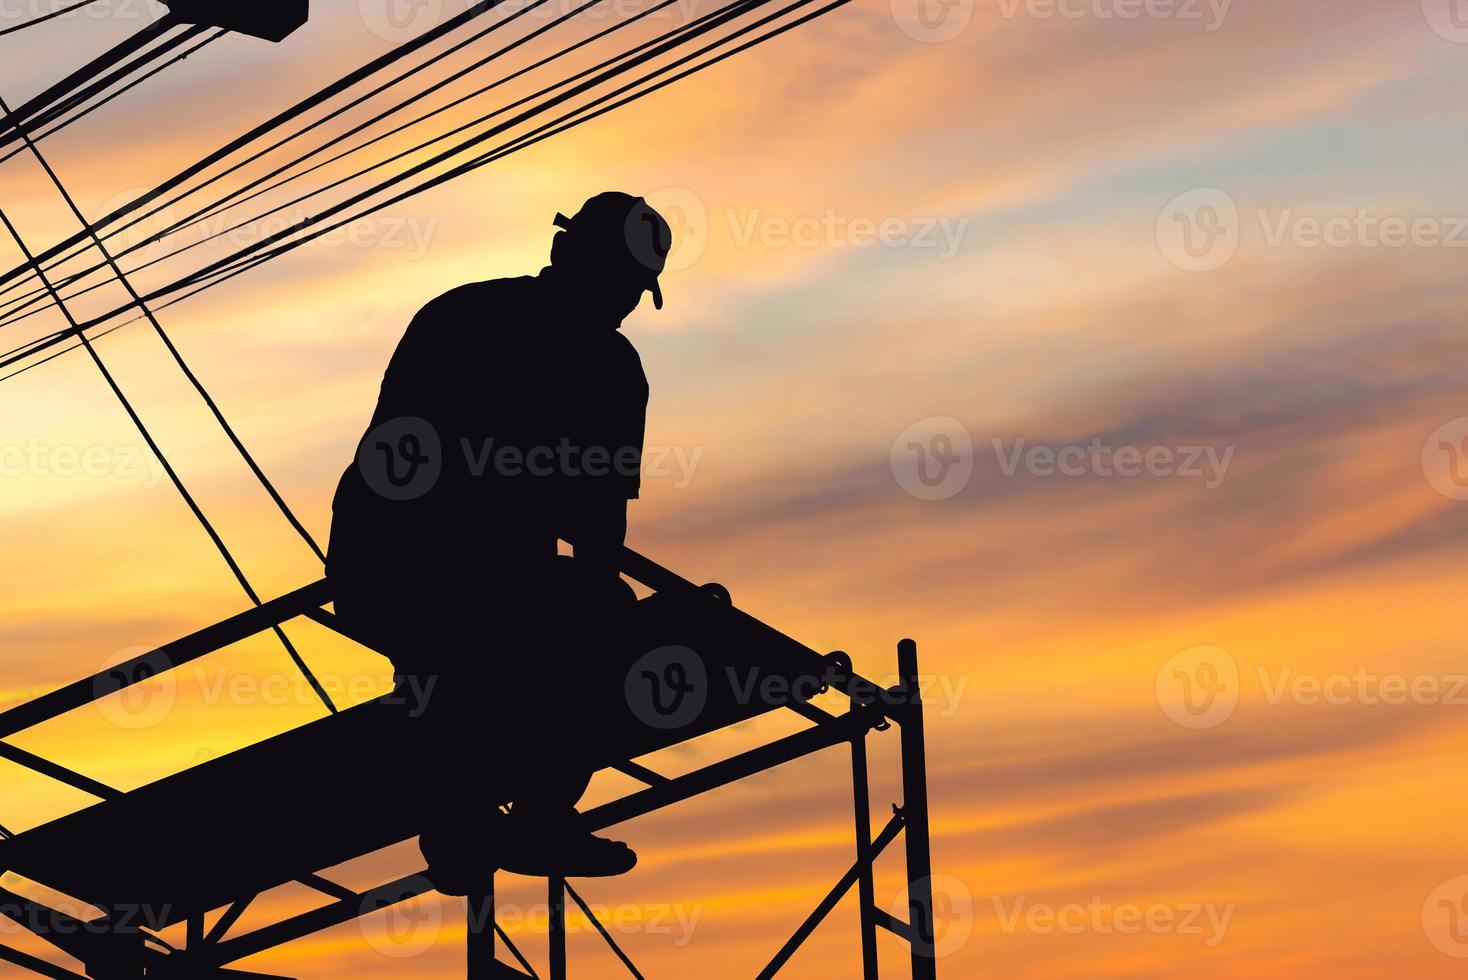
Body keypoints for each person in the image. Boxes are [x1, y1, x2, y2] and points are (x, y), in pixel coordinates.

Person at [326, 192, 672, 893]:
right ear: (564, 257)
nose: (621, 301)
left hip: (444, 568)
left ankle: (480, 817)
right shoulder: (471, 321)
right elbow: (410, 466)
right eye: (615, 281)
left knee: (573, 612)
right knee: (556, 621)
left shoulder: (608, 366)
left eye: (632, 290)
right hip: (399, 557)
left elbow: (599, 519)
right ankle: (504, 814)